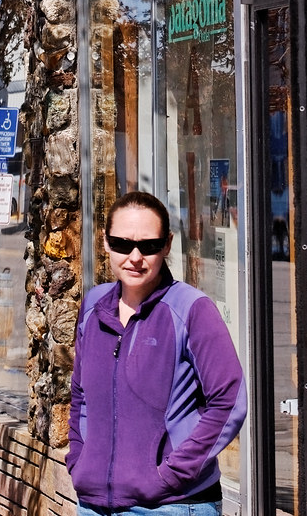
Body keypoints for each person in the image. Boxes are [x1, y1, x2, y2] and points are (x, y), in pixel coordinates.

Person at [67, 191, 247, 516]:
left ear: (167, 245)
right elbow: (80, 394)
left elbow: (229, 401)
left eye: (149, 245)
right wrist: (80, 460)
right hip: (93, 505)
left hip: (171, 506)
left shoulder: (191, 309)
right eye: (122, 244)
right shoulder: (93, 306)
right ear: (105, 242)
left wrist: (170, 475)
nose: (135, 257)